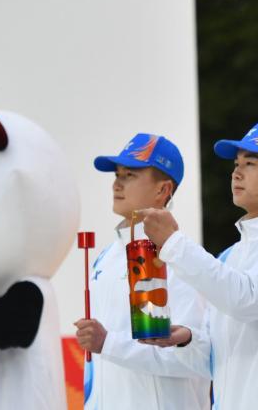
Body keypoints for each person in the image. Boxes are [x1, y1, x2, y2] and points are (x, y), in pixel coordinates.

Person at [138, 120, 258, 410]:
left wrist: (175, 243)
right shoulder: (229, 257)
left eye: (250, 163)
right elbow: (213, 362)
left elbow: (246, 298)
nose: (236, 172)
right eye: (236, 163)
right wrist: (187, 341)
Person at [74, 133, 209, 410]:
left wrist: (108, 343)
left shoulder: (181, 260)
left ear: (163, 190)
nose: (117, 183)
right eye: (117, 174)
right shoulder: (105, 259)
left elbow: (195, 359)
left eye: (130, 175)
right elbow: (98, 365)